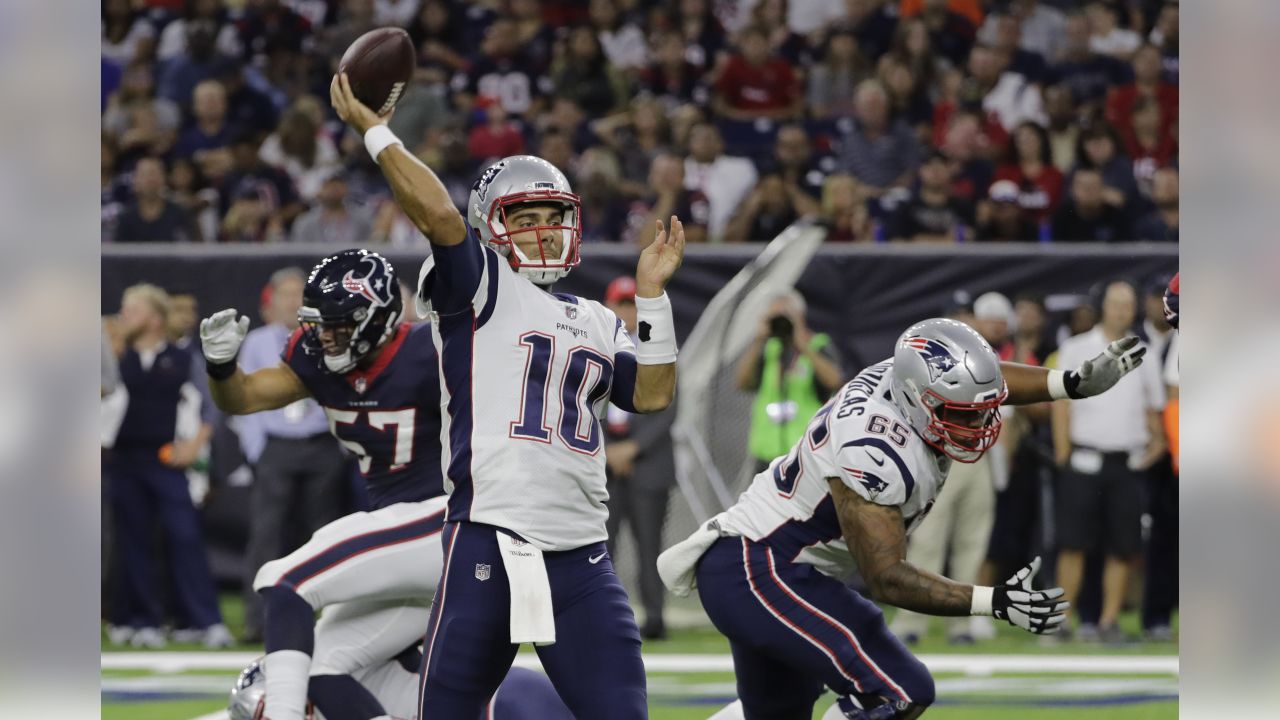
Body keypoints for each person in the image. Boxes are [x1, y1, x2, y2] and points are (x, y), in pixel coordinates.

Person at [331, 72, 686, 719]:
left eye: (555, 217)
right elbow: (436, 214)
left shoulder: (598, 319)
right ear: (492, 228)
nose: (546, 231)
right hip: (489, 537)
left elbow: (654, 393)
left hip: (580, 553)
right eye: (526, 218)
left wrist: (654, 296)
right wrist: (377, 132)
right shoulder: (479, 288)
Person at [661, 317, 1147, 720]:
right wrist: (991, 600)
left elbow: (990, 382)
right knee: (900, 689)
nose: (978, 424)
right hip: (761, 570)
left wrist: (1070, 384)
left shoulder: (904, 378)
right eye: (961, 414)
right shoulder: (873, 451)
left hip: (767, 568)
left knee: (774, 712)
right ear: (918, 401)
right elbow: (888, 578)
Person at [201, 250, 549, 720]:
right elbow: (242, 398)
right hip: (405, 543)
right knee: (323, 667)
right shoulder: (316, 360)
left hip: (450, 519)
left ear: (376, 319)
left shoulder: (432, 351)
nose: (325, 337)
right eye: (319, 324)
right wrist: (222, 367)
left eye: (339, 325)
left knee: (284, 581)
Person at [104, 284, 230, 649]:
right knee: (134, 541)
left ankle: (207, 621)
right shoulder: (113, 356)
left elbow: (210, 405)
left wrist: (193, 445)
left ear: (155, 319)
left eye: (133, 310)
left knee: (185, 536)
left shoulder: (181, 357)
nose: (125, 316)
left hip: (166, 461)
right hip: (124, 459)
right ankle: (145, 621)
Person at [233, 268, 349, 644]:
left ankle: (329, 619)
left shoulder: (329, 336)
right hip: (277, 445)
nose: (292, 301)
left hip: (321, 443)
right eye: (285, 294)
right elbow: (241, 397)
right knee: (266, 534)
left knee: (325, 533)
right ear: (272, 300)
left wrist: (342, 440)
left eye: (299, 294)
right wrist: (258, 449)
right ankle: (257, 620)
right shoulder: (257, 342)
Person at [1051, 280, 1167, 643]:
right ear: (1103, 306)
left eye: (1128, 304)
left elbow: (1154, 408)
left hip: (1126, 463)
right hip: (1084, 458)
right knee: (1073, 544)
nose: (1123, 310)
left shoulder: (1142, 351)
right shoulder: (1075, 348)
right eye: (1117, 303)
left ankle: (1108, 621)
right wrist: (1062, 452)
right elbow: (1061, 403)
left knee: (1123, 546)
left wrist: (1156, 447)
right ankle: (1062, 621)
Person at [602, 276, 678, 640]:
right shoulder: (593, 344)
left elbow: (667, 406)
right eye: (621, 304)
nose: (626, 311)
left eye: (632, 304)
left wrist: (632, 449)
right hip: (603, 464)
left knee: (650, 547)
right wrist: (606, 450)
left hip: (646, 463)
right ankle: (604, 619)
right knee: (600, 547)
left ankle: (655, 619)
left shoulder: (658, 346)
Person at [735, 291, 843, 474]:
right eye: (774, 318)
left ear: (799, 317)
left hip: (805, 456)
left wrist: (801, 345)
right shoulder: (769, 349)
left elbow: (835, 381)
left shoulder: (817, 345)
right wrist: (757, 340)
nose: (780, 324)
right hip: (765, 457)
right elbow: (742, 383)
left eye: (784, 318)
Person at [114, 157, 202, 243]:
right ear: (135, 180)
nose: (150, 179)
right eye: (144, 175)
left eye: (154, 173)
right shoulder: (126, 218)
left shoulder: (181, 214)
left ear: (164, 178)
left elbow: (195, 249)